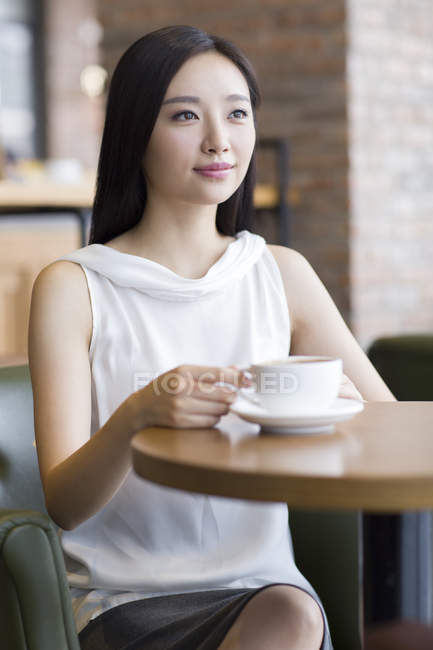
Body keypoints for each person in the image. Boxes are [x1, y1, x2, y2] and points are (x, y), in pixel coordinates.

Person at [28, 25, 394, 650]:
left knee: (293, 614)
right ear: (134, 132)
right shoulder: (75, 285)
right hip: (126, 603)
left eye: (237, 113)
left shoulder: (281, 274)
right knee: (295, 621)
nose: (219, 141)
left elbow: (391, 430)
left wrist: (335, 407)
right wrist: (137, 415)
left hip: (269, 591)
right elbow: (64, 504)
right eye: (185, 116)